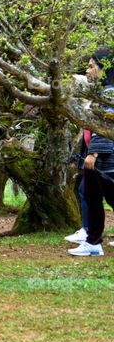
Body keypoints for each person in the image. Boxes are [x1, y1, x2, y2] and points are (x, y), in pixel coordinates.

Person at [70, 48, 114, 256]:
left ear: (103, 69)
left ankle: (93, 241)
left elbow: (105, 126)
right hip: (95, 158)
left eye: (91, 67)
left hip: (105, 160)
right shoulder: (102, 91)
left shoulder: (110, 94)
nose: (87, 71)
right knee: (90, 195)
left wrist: (94, 153)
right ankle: (93, 242)